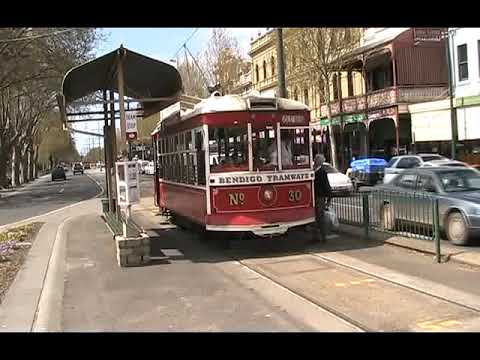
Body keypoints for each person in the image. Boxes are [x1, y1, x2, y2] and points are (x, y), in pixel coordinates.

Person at [312, 154, 332, 243]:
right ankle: (317, 235)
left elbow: (326, 185)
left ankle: (323, 236)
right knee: (316, 217)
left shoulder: (322, 172)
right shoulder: (313, 170)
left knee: (320, 216)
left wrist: (329, 198)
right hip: (315, 196)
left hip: (320, 197)